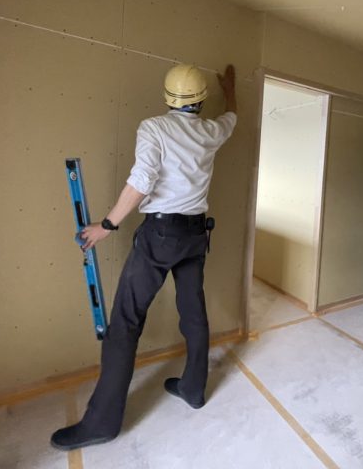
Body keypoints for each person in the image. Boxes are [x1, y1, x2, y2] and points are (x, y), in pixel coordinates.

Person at [51, 63, 237, 450]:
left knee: (125, 322)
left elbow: (141, 181)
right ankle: (193, 388)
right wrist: (231, 89)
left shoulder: (154, 128)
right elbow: (231, 118)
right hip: (195, 235)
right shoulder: (211, 132)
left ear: (167, 97)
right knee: (194, 313)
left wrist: (106, 226)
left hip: (161, 234)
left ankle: (101, 424)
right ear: (201, 98)